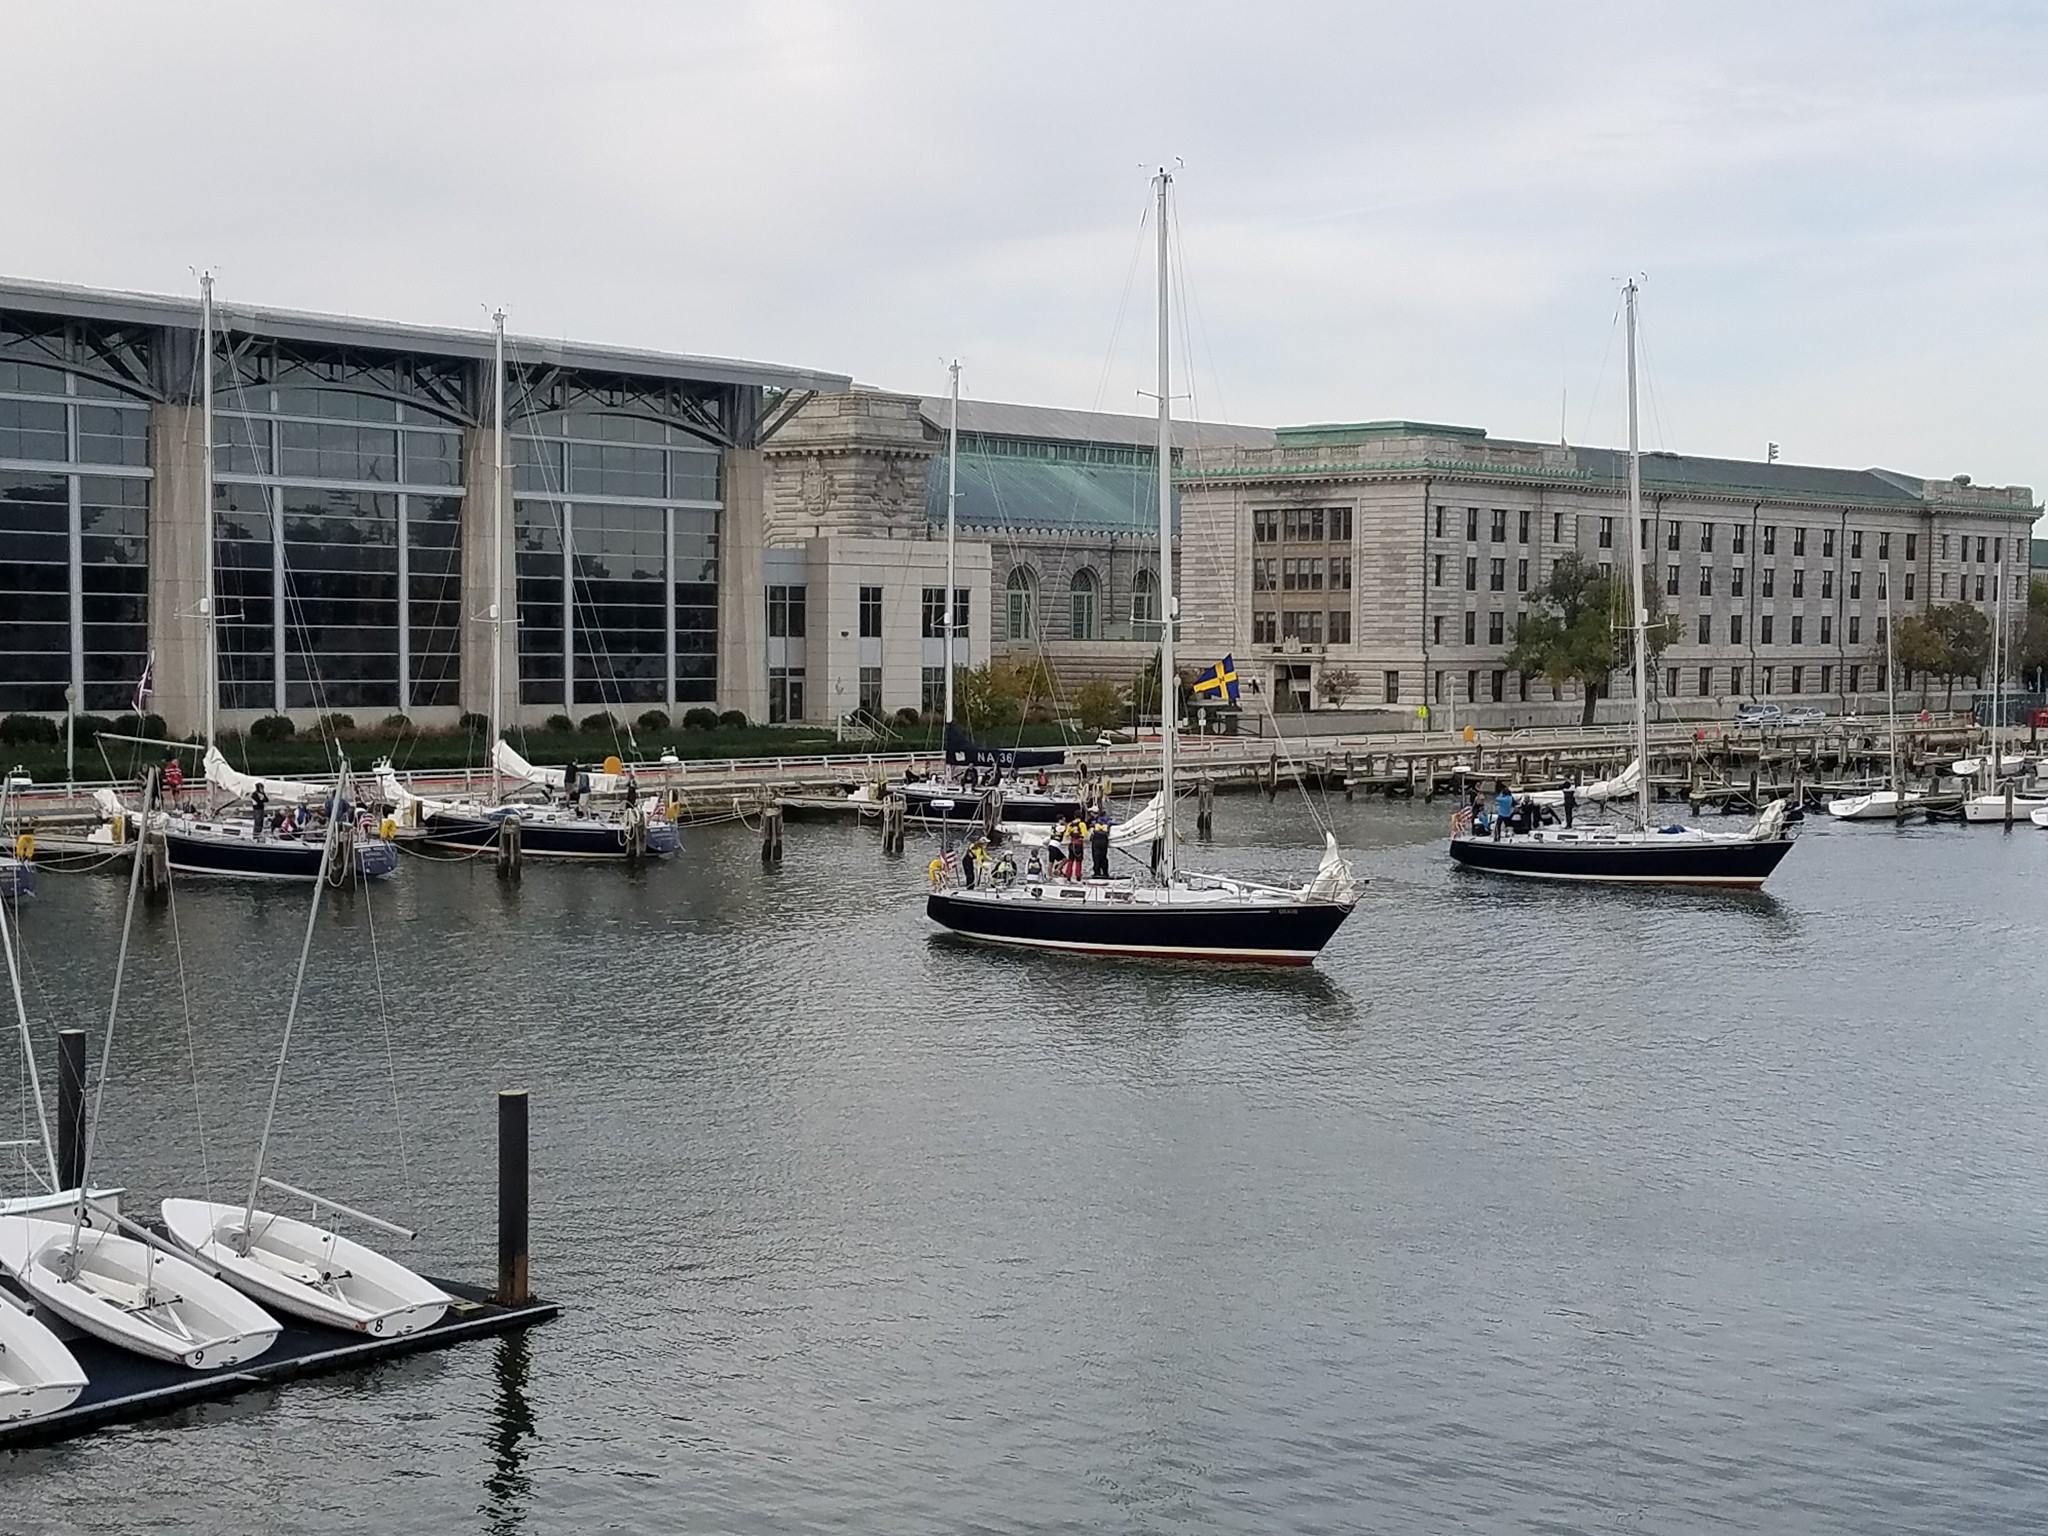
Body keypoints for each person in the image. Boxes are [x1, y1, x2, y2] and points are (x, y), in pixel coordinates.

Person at [1089, 814, 1111, 879]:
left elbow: (1091, 835)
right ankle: (1105, 873)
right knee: (1103, 857)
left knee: (1096, 857)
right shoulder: (1107, 823)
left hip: (1096, 840)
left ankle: (1097, 872)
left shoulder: (1095, 823)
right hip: (1104, 840)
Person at [1065, 817, 1086, 881]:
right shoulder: (1082, 824)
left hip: (1071, 844)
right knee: (1078, 861)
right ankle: (1078, 876)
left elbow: (1066, 834)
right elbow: (1085, 834)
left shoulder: (1070, 824)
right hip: (1079, 844)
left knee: (1070, 860)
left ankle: (1068, 875)